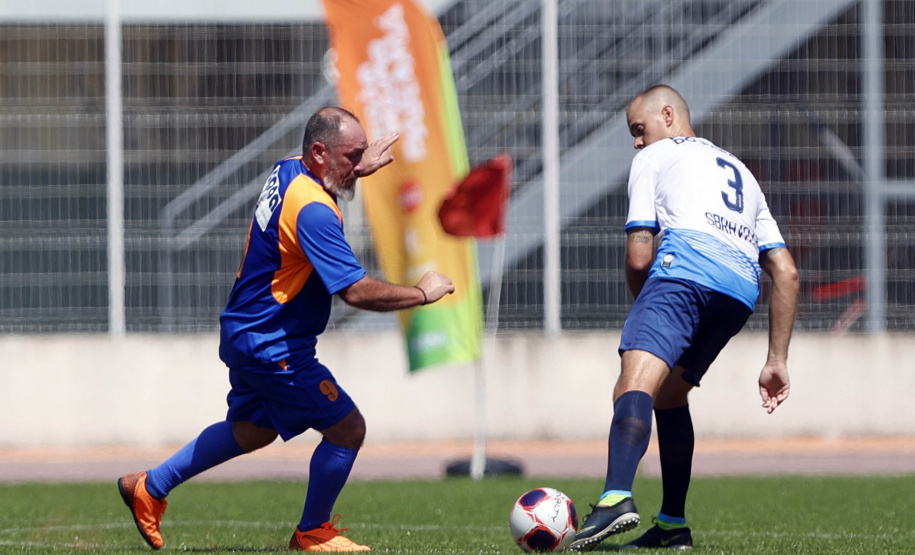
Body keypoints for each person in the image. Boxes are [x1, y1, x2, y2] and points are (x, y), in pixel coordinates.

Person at [117, 106, 455, 552]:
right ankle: (313, 531)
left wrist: (355, 170)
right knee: (347, 428)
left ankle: (150, 486)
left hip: (246, 328)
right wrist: (421, 294)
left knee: (253, 431)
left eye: (361, 154)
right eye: (352, 156)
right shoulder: (313, 211)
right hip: (272, 343)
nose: (361, 162)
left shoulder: (289, 169)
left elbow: (321, 190)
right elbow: (354, 291)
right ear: (319, 153)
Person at [570, 86, 799, 551]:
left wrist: (648, 312)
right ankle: (673, 525)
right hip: (739, 293)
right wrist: (776, 359)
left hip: (685, 272)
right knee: (671, 396)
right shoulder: (741, 172)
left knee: (634, 381)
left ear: (668, 115)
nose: (637, 141)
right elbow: (787, 273)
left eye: (639, 129)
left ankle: (615, 497)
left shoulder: (654, 157)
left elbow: (640, 256)